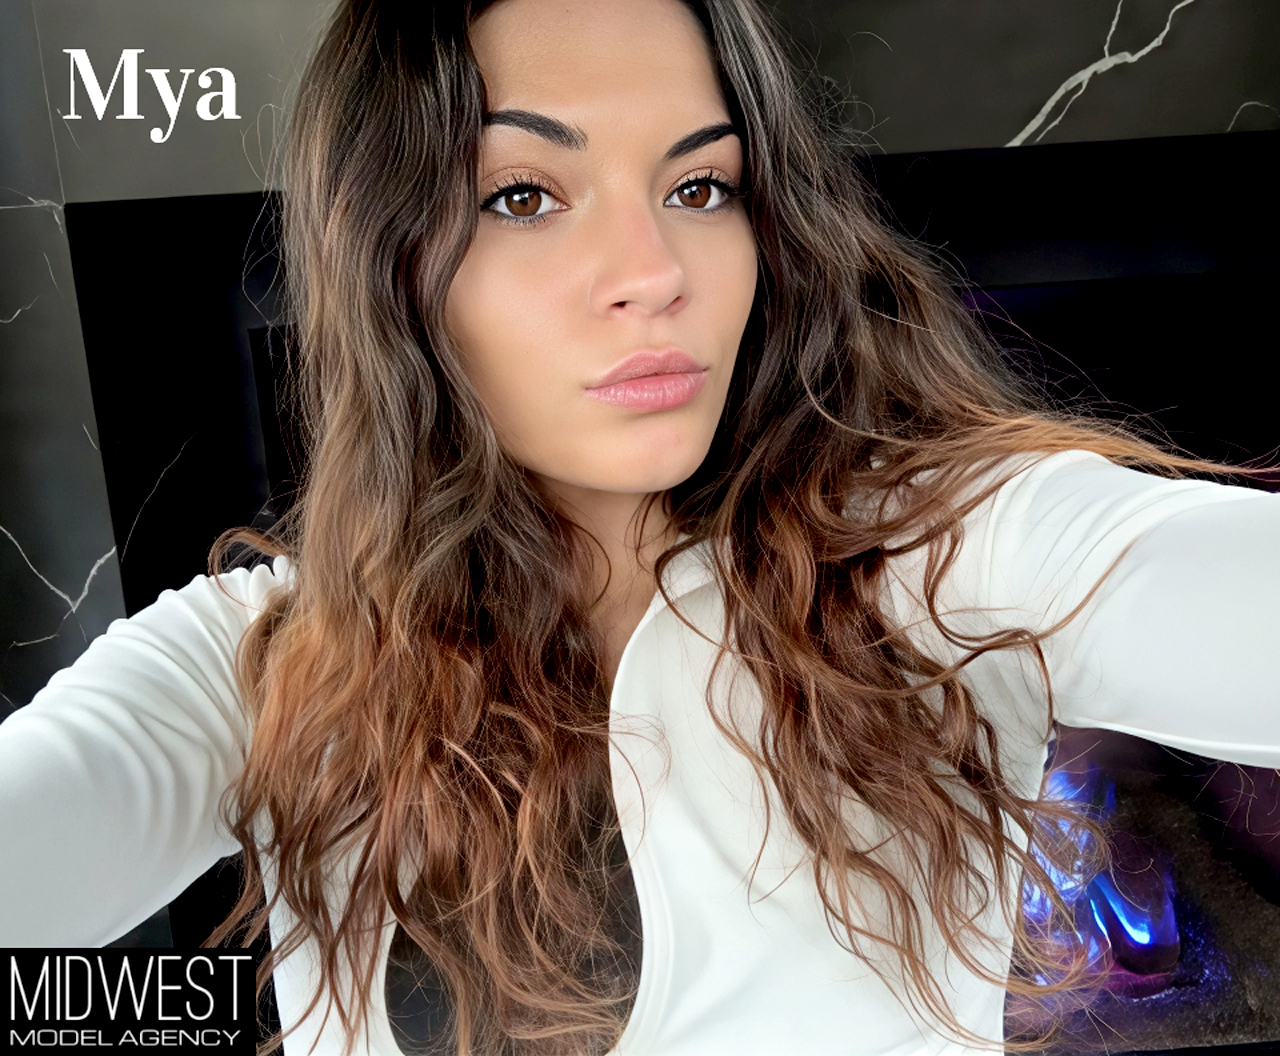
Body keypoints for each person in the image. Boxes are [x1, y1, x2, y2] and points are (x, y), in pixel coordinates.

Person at [1, 1, 1277, 1054]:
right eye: (521, 196)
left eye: (700, 184)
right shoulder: (262, 665)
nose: (656, 271)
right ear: (386, 261)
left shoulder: (950, 554)